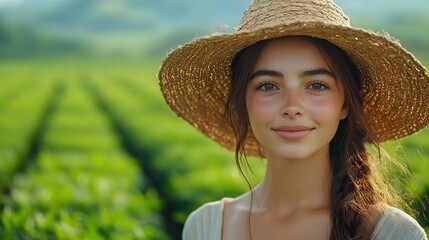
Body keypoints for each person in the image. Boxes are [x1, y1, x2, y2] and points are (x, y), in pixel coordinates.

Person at [158, 0, 429, 239]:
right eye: (268, 86)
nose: (292, 107)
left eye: (316, 85)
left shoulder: (394, 233)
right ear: (243, 103)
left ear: (345, 103)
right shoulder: (206, 227)